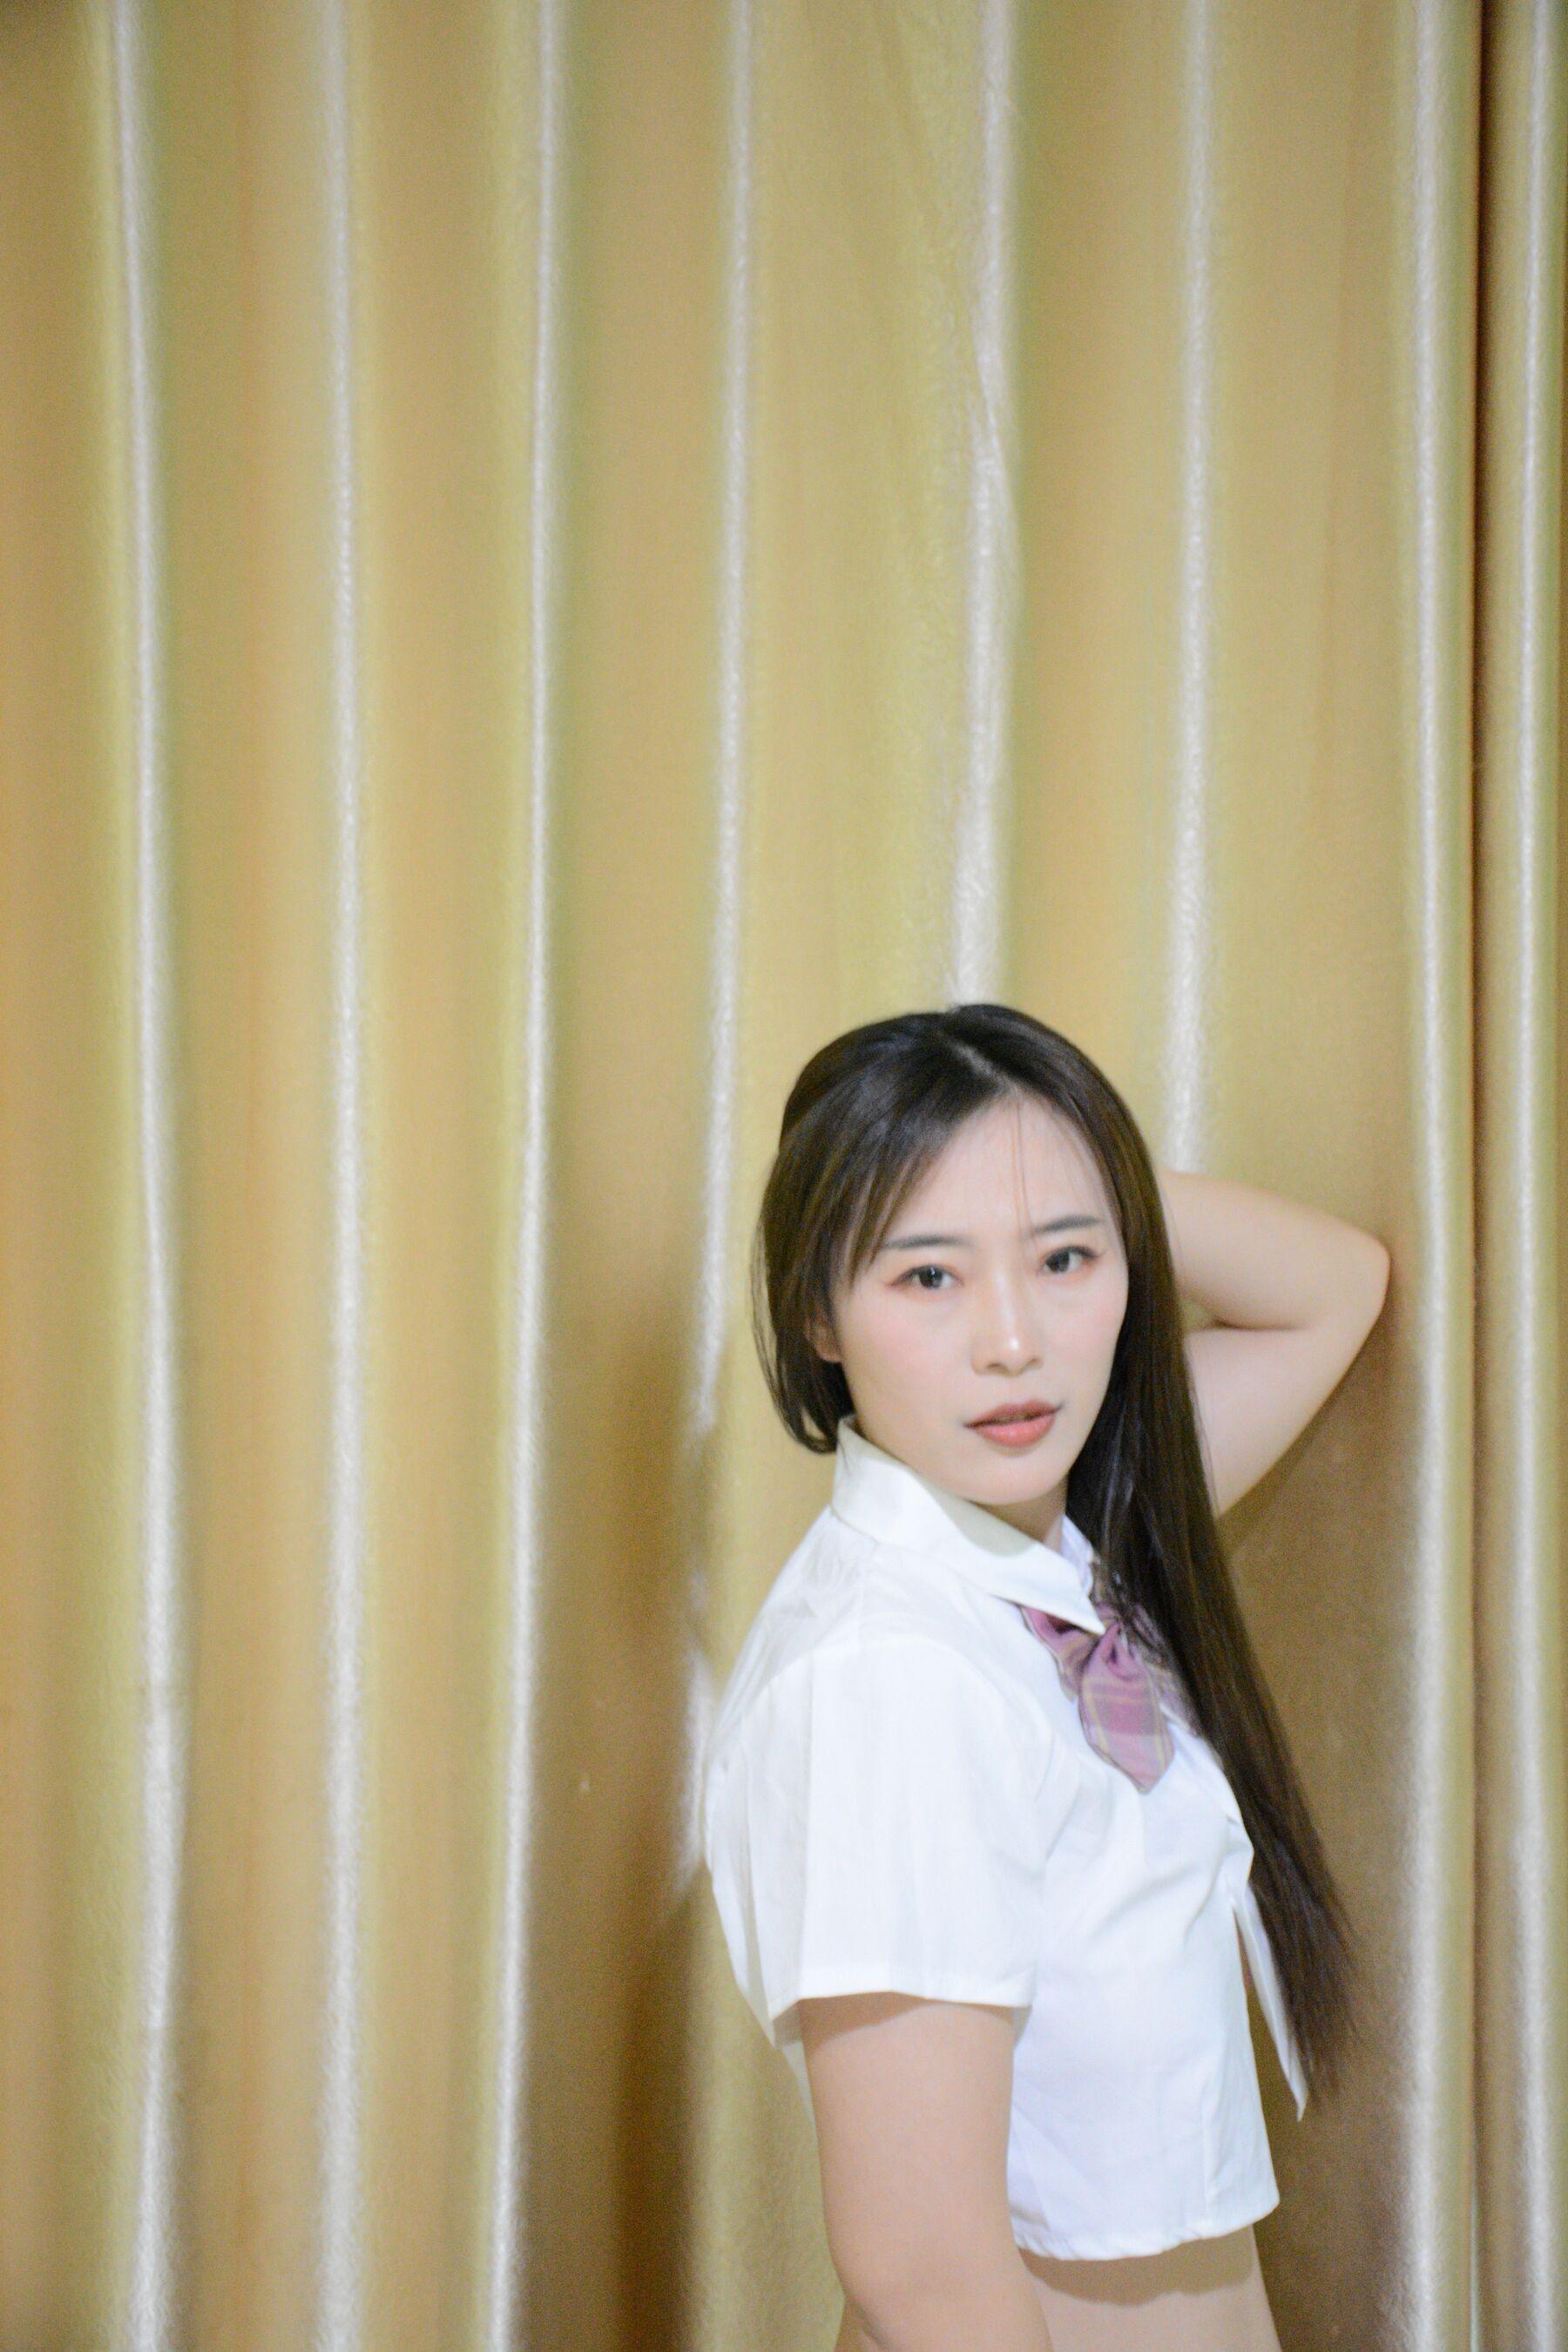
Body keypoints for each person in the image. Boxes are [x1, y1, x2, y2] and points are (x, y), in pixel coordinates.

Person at [700, 1004, 1389, 2351]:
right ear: (817, 1312)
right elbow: (920, 2269)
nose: (1013, 1341)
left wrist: (1047, 1164)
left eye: (1065, 1259)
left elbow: (1335, 1287)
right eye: (928, 1277)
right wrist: (1028, 1202)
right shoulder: (891, 1675)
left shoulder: (1059, 1549)